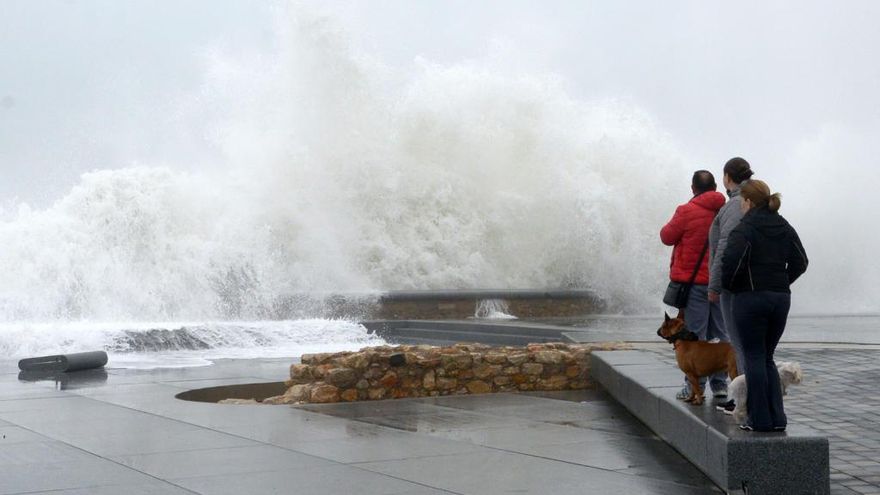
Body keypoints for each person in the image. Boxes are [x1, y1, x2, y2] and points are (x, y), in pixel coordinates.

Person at [721, 180, 808, 432]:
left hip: (750, 299)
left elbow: (730, 266)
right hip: (780, 299)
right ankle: (777, 419)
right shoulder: (784, 226)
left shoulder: (744, 229)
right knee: (767, 356)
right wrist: (780, 282)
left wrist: (737, 287)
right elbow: (801, 261)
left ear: (747, 201)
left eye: (741, 202)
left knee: (755, 358)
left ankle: (758, 419)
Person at [661, 170, 729, 399]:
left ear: (693, 188)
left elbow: (666, 236)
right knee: (720, 332)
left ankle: (693, 387)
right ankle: (720, 385)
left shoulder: (686, 211)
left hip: (695, 284)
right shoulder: (726, 209)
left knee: (694, 336)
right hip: (720, 282)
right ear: (716, 187)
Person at [707, 157, 754, 413]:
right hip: (753, 284)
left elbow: (725, 247)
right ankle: (751, 397)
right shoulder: (755, 198)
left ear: (727, 177)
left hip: (734, 286)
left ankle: (746, 399)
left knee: (740, 343)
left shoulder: (736, 204)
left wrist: (714, 285)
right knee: (749, 344)